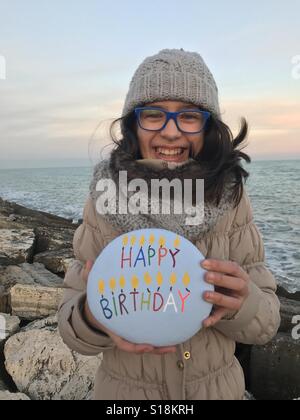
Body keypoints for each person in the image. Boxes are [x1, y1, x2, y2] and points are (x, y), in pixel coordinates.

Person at [58, 49, 281, 400]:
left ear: (208, 127)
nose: (172, 132)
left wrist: (243, 302)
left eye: (189, 116)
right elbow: (70, 327)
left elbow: (267, 322)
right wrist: (92, 316)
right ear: (133, 123)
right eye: (153, 114)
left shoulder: (231, 197)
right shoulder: (104, 199)